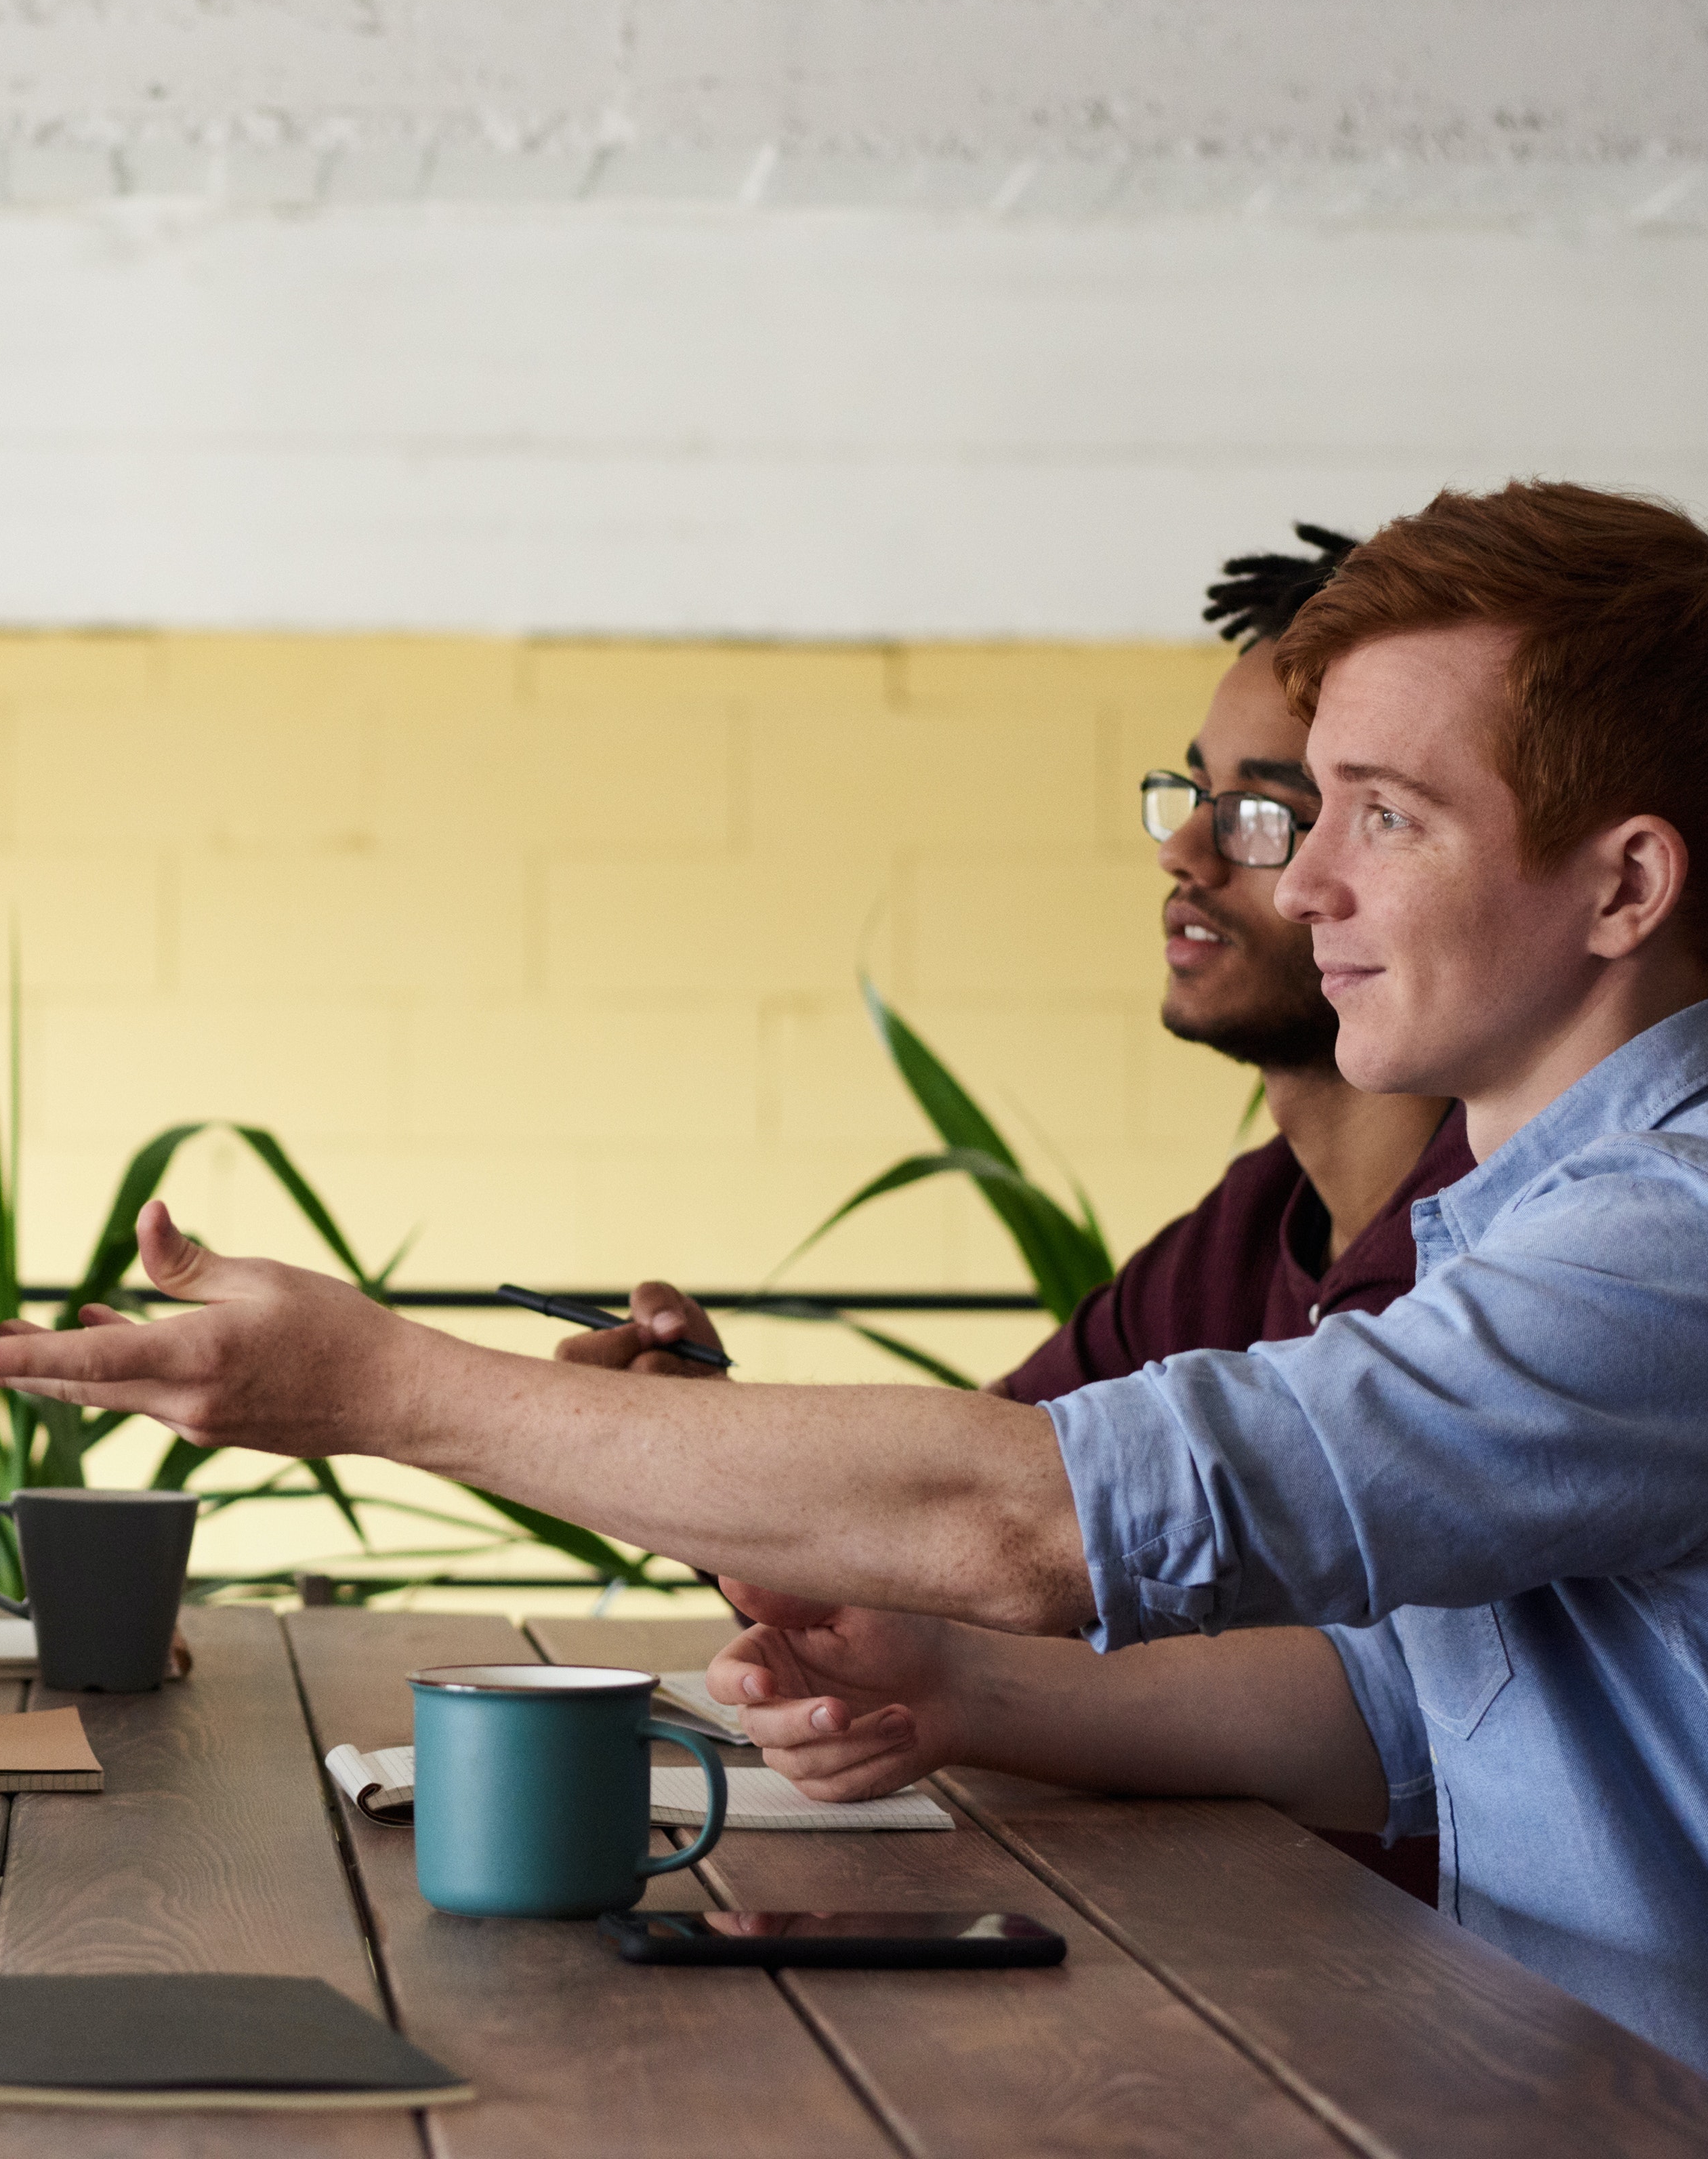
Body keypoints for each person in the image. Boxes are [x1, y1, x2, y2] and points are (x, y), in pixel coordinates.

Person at [0, 482, 1708, 2158]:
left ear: (1627, 887)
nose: (1307, 888)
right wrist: (958, 1689)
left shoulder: (1707, 1253)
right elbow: (1392, 1710)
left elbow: (1038, 1515)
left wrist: (376, 1384)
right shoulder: (1556, 1226)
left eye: (1388, 815)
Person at [612, 524, 1472, 1899]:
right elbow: (969, 1523)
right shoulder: (1253, 1226)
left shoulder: (1523, 1256)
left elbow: (1381, 1708)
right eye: (1188, 794)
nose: (1188, 850)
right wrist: (692, 1434)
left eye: (1265, 811)